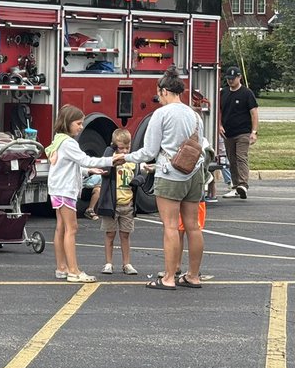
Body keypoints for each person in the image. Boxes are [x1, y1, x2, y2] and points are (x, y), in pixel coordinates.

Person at [112, 66, 206, 291]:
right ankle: (193, 276)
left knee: (170, 226)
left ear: (164, 91)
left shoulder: (161, 114)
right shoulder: (195, 115)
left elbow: (149, 151)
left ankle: (169, 277)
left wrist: (125, 158)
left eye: (159, 94)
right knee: (193, 227)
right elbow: (199, 145)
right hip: (194, 173)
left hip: (170, 174)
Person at [45, 105, 109, 283]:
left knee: (61, 227)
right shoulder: (69, 143)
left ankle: (62, 267)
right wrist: (111, 160)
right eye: (78, 123)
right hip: (66, 190)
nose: (81, 127)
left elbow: (67, 165)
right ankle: (73, 270)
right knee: (71, 228)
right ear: (68, 123)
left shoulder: (58, 140)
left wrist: (88, 171)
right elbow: (84, 159)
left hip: (57, 189)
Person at [98, 128, 138, 276]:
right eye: (121, 148)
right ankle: (108, 263)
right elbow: (105, 171)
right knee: (110, 234)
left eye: (128, 147)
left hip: (127, 204)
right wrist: (111, 150)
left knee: (125, 235)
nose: (125, 151)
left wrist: (139, 179)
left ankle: (126, 263)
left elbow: (139, 175)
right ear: (114, 146)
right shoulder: (110, 159)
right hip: (111, 204)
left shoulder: (132, 161)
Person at [219, 66, 258, 199]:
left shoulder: (247, 93)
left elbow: (254, 113)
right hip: (227, 133)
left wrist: (254, 132)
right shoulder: (223, 93)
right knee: (232, 160)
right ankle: (236, 187)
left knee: (241, 157)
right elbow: (219, 111)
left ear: (239, 77)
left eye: (233, 78)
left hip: (243, 132)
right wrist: (219, 125)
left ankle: (243, 184)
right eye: (229, 78)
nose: (230, 81)